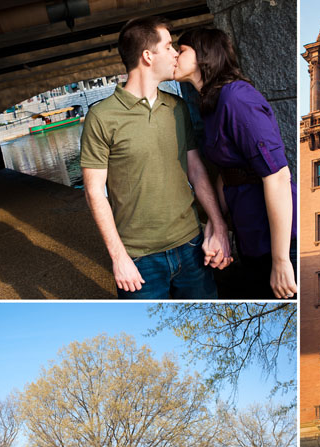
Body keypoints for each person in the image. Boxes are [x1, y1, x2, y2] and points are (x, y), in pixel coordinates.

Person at [80, 17, 231, 299]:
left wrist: (218, 227)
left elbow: (196, 171)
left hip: (191, 248)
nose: (176, 53)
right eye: (170, 46)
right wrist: (119, 258)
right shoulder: (101, 117)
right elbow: (93, 192)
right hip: (139, 260)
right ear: (148, 56)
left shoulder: (177, 107)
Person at [174, 27, 297, 300]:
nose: (174, 56)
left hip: (282, 241)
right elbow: (228, 172)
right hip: (250, 235)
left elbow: (277, 176)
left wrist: (281, 261)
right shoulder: (211, 102)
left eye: (181, 50)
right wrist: (215, 226)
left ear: (203, 55)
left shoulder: (237, 98)